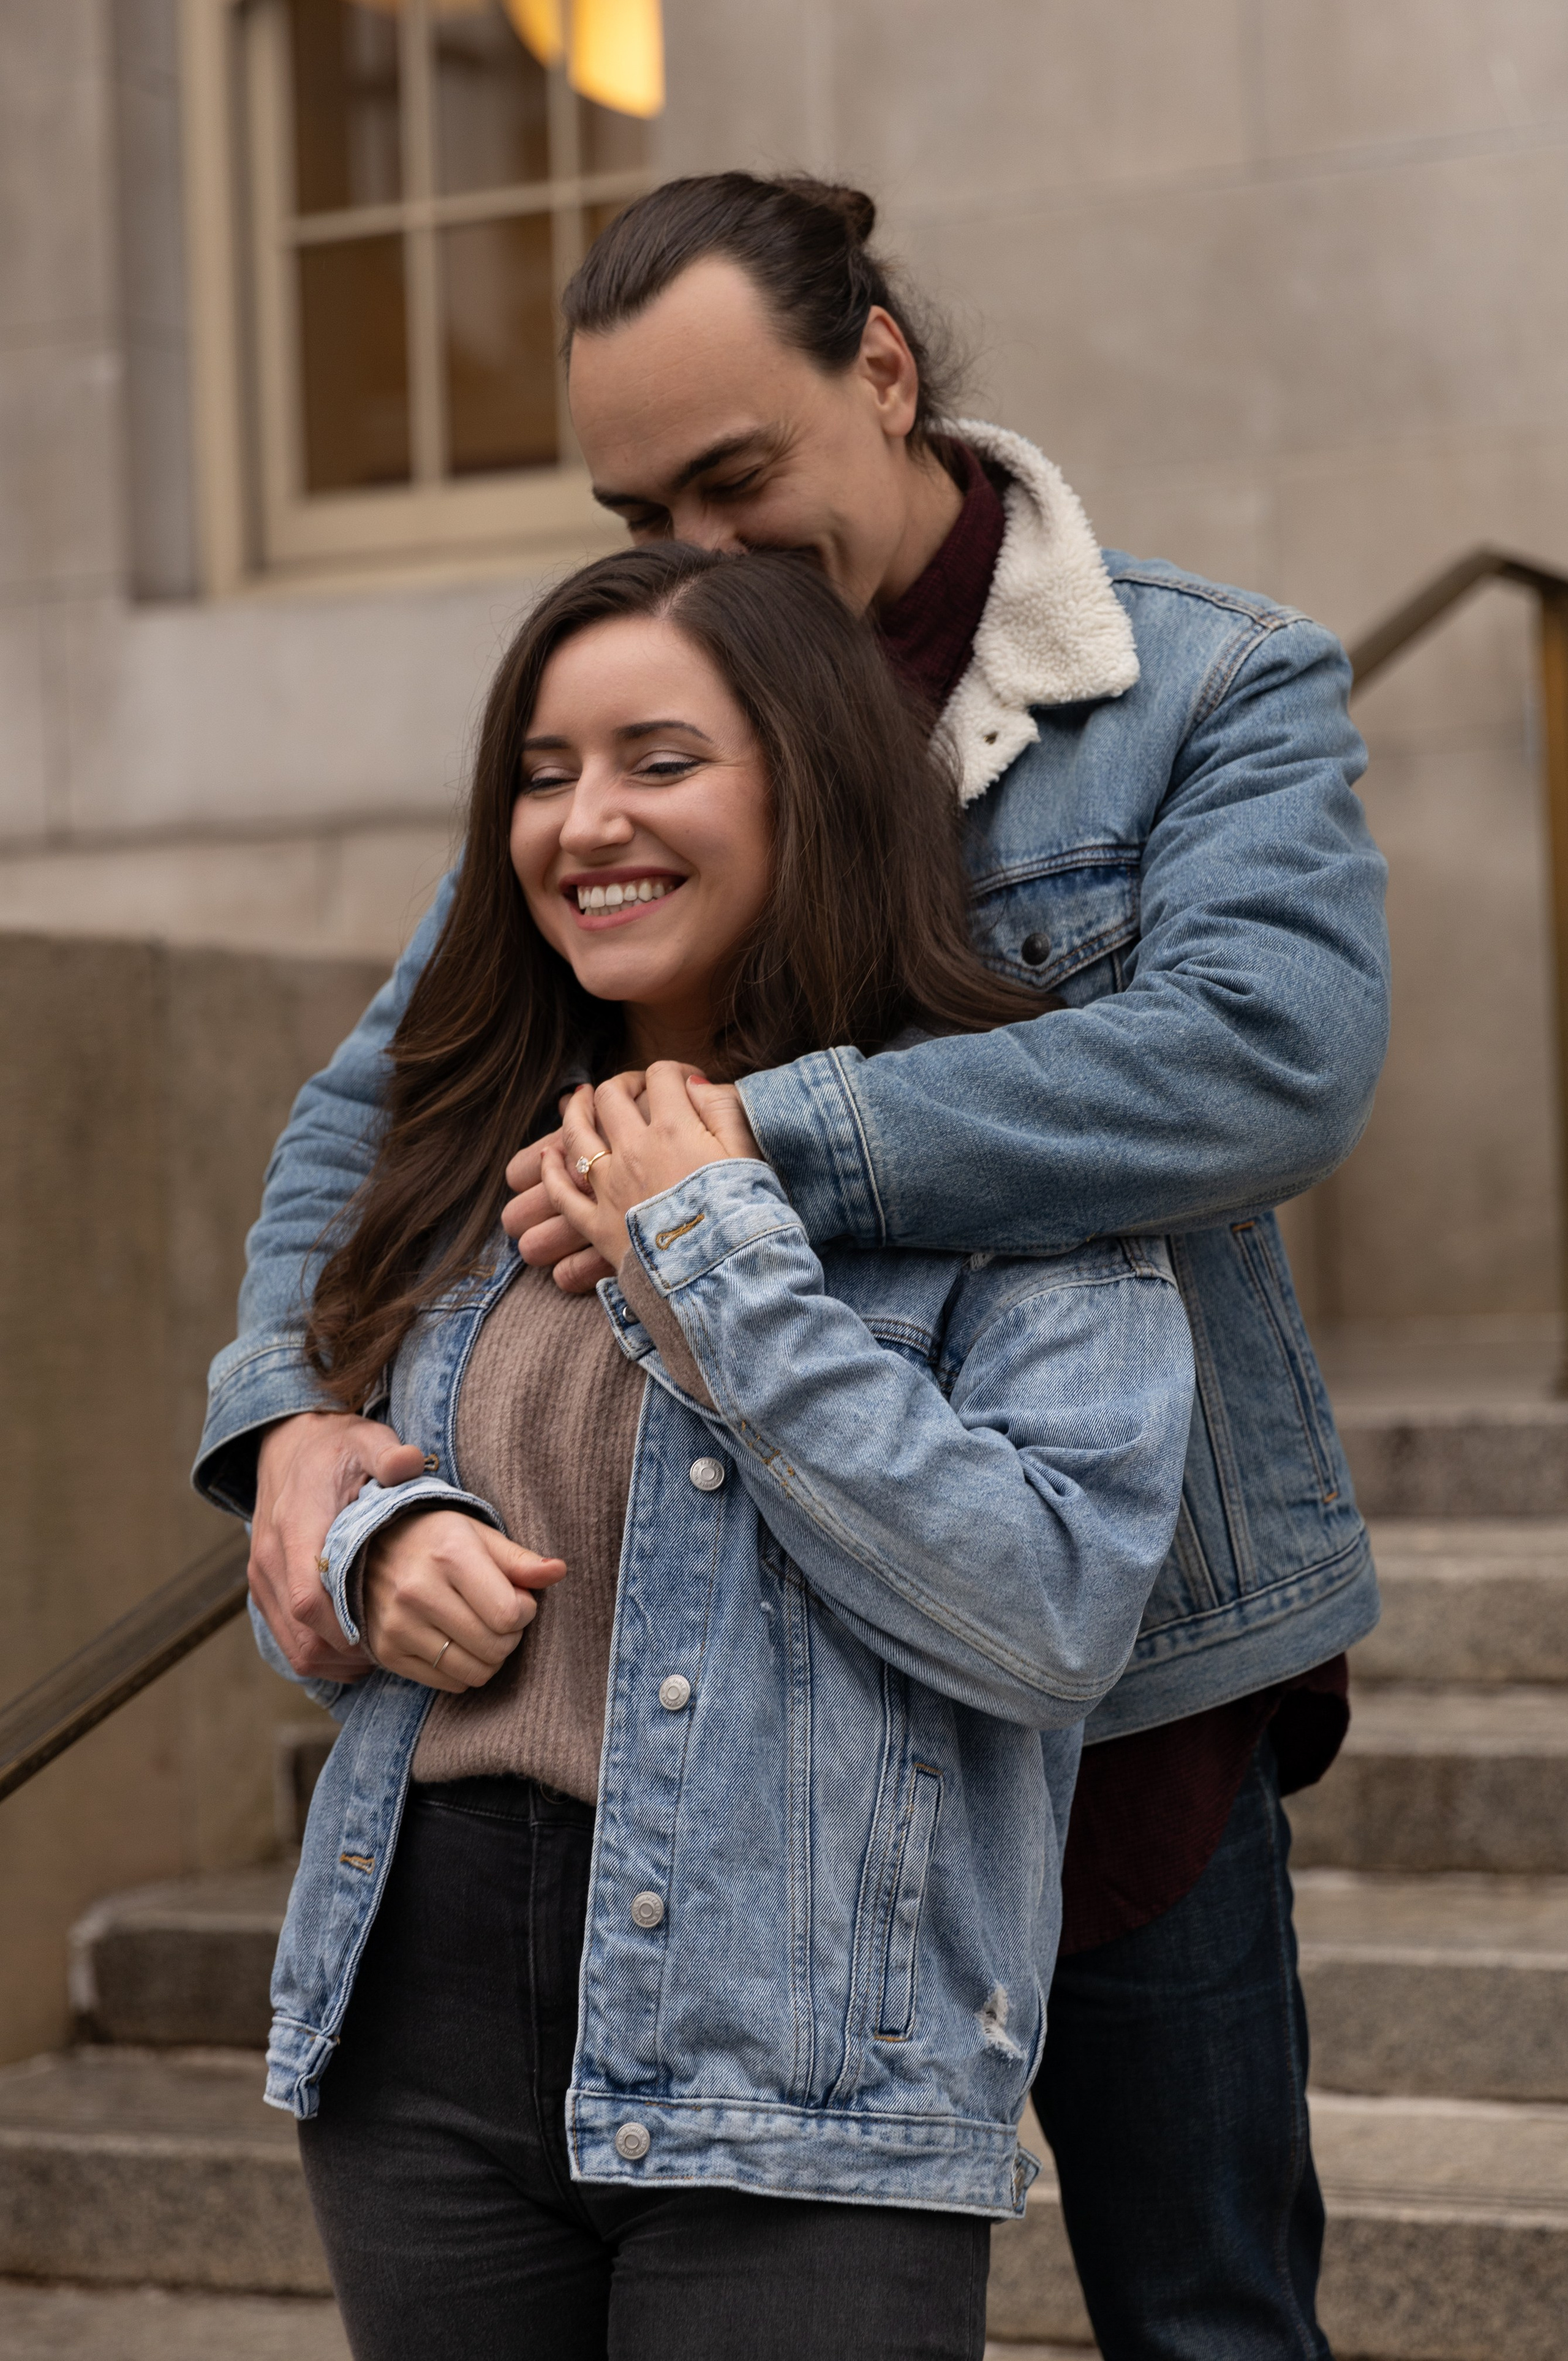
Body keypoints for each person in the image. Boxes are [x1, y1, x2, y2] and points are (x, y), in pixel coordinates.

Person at [197, 176, 1390, 2358]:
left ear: (884, 371)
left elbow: (1271, 1059)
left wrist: (760, 1139)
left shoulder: (1207, 682)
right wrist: (292, 1421)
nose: (700, 555)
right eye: (639, 505)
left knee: (1206, 2304)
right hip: (708, 1704)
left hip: (1127, 1657)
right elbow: (393, 1104)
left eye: (737, 481)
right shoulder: (627, 728)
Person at [239, 541, 1194, 2360]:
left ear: (810, 783)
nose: (584, 820)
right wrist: (373, 1543)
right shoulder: (469, 1138)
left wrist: (714, 1243)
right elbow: (317, 1563)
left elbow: (1048, 1612)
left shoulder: (1007, 1155)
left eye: (657, 760)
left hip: (802, 2058)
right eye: (541, 771)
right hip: (417, 2026)